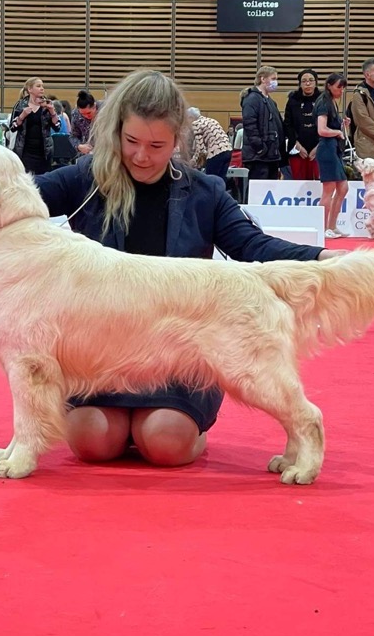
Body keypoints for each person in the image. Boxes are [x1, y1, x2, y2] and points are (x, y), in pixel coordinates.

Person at [33, 69, 335, 469]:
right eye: (131, 142)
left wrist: (319, 259)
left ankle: (183, 430)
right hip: (102, 357)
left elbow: (252, 246)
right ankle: (127, 427)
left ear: (177, 139)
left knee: (164, 442)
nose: (142, 156)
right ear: (117, 132)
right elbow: (16, 194)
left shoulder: (205, 191)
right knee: (92, 441)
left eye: (157, 145)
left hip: (182, 355)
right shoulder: (85, 181)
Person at [315, 74, 350, 239]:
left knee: (343, 188)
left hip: (334, 149)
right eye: (338, 87)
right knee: (328, 191)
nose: (341, 90)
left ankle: (332, 226)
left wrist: (342, 126)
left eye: (343, 87)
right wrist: (337, 131)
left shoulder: (333, 103)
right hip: (327, 150)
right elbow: (321, 130)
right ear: (329, 85)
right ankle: (321, 228)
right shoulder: (323, 102)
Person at [241, 66, 287, 180]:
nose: (276, 82)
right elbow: (250, 126)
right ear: (262, 79)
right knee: (258, 192)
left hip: (272, 156)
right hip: (258, 156)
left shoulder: (271, 102)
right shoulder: (252, 99)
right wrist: (260, 148)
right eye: (273, 78)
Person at [9, 77, 61, 175]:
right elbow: (12, 127)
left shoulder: (47, 104)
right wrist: (22, 116)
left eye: (42, 86)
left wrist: (52, 111)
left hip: (44, 152)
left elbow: (57, 127)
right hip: (25, 151)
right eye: (38, 86)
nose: (42, 88)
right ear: (30, 89)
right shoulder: (20, 105)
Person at [283, 69, 320, 180]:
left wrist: (319, 147)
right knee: (298, 182)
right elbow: (288, 125)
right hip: (297, 150)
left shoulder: (323, 99)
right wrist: (297, 145)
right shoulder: (293, 100)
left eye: (311, 80)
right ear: (300, 84)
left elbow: (330, 125)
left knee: (319, 183)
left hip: (318, 149)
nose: (307, 83)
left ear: (316, 82)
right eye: (304, 81)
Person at [187, 107, 232, 180]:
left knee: (210, 181)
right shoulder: (212, 120)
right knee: (221, 180)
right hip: (228, 150)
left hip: (215, 153)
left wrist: (193, 161)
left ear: (191, 117)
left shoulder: (196, 124)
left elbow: (201, 148)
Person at [70, 90, 99, 155]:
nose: (86, 116)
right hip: (87, 153)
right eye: (83, 114)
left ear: (94, 106)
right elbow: (73, 136)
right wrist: (79, 146)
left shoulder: (105, 110)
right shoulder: (76, 114)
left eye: (89, 113)